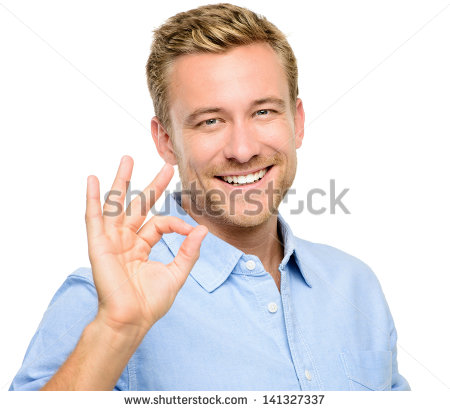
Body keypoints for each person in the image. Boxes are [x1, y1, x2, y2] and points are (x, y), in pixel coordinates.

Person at [9, 3, 410, 391]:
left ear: (297, 122)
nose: (242, 149)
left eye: (264, 112)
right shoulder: (101, 298)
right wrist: (114, 330)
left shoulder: (356, 286)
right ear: (166, 141)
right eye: (211, 121)